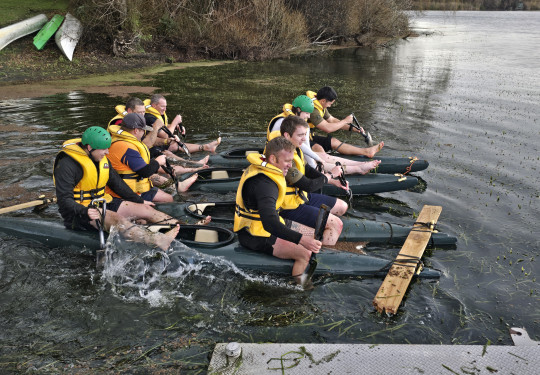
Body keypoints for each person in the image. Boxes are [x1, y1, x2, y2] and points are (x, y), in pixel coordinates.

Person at [234, 137, 343, 282]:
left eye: (291, 161)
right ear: (273, 158)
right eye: (287, 162)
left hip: (264, 225)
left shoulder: (268, 168)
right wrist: (302, 240)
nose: (290, 166)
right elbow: (270, 223)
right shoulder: (265, 184)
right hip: (254, 235)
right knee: (305, 253)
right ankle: (300, 290)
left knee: (315, 236)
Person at [53, 126, 180, 251]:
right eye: (104, 149)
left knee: (146, 209)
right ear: (90, 147)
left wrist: (139, 200)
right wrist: (83, 211)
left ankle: (179, 229)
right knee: (117, 220)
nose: (107, 152)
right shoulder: (67, 165)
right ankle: (156, 241)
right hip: (79, 211)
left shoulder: (101, 159)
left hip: (102, 202)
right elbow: (64, 199)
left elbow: (118, 185)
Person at [268, 95, 381, 173]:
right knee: (317, 160)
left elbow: (305, 146)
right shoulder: (283, 123)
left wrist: (317, 158)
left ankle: (358, 163)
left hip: (293, 151)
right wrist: (315, 168)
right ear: (298, 110)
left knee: (322, 156)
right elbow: (297, 148)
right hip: (282, 157)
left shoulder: (300, 123)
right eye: (306, 113)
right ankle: (358, 169)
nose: (308, 116)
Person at [106, 113, 199, 200]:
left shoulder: (125, 138)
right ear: (136, 130)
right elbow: (145, 172)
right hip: (128, 190)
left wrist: (167, 142)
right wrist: (157, 162)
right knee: (169, 199)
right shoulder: (127, 147)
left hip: (134, 181)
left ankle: (181, 180)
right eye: (143, 130)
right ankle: (191, 171)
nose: (144, 132)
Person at [108, 97, 210, 167]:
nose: (143, 115)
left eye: (144, 112)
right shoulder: (122, 123)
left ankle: (199, 156)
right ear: (130, 111)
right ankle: (194, 165)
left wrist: (166, 141)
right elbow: (145, 144)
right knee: (164, 153)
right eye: (140, 112)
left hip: (138, 150)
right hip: (125, 156)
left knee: (168, 148)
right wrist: (159, 129)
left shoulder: (135, 119)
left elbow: (145, 138)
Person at [306, 86, 384, 158]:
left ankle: (367, 152)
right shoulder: (313, 109)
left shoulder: (320, 103)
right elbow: (327, 128)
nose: (330, 106)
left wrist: (352, 128)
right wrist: (345, 121)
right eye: (330, 104)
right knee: (319, 149)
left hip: (307, 134)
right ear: (323, 101)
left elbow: (332, 120)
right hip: (301, 138)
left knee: (334, 141)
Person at [144, 94, 221, 156]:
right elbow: (165, 135)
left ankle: (206, 147)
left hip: (158, 140)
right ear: (154, 106)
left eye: (166, 106)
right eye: (162, 106)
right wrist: (175, 122)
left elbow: (163, 127)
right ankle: (205, 149)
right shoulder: (149, 117)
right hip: (150, 145)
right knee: (173, 144)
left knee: (175, 143)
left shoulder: (158, 112)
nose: (165, 109)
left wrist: (176, 126)